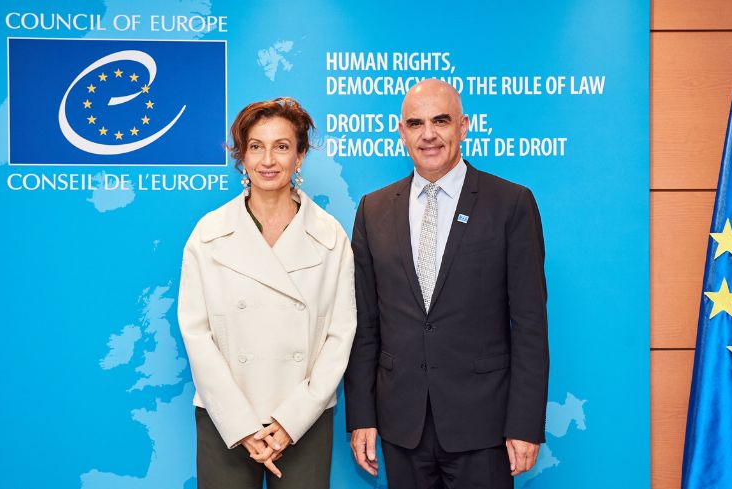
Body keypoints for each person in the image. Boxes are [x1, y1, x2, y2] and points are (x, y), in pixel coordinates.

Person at [345, 79, 549, 489]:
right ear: (401, 131)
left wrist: (524, 423)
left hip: (483, 425)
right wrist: (362, 416)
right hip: (402, 424)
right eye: (416, 123)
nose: (429, 134)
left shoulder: (511, 204)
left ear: (463, 126)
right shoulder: (373, 209)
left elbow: (529, 324)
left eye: (441, 121)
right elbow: (365, 325)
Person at [178, 97, 356, 489]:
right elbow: (196, 332)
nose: (268, 160)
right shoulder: (209, 235)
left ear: (301, 155)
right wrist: (241, 424)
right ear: (241, 157)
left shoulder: (329, 237)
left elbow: (340, 336)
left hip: (302, 420)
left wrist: (291, 421)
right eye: (256, 146)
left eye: (282, 146)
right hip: (225, 418)